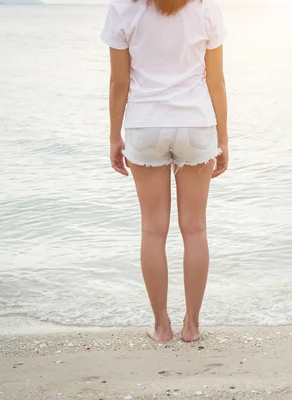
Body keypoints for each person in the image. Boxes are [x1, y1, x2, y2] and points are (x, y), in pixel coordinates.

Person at [100, 0, 228, 343]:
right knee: (195, 229)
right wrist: (224, 138)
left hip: (146, 125)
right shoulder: (205, 8)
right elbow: (215, 80)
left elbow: (119, 82)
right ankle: (193, 326)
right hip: (196, 124)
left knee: (153, 231)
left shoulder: (124, 9)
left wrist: (114, 135)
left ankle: (161, 327)